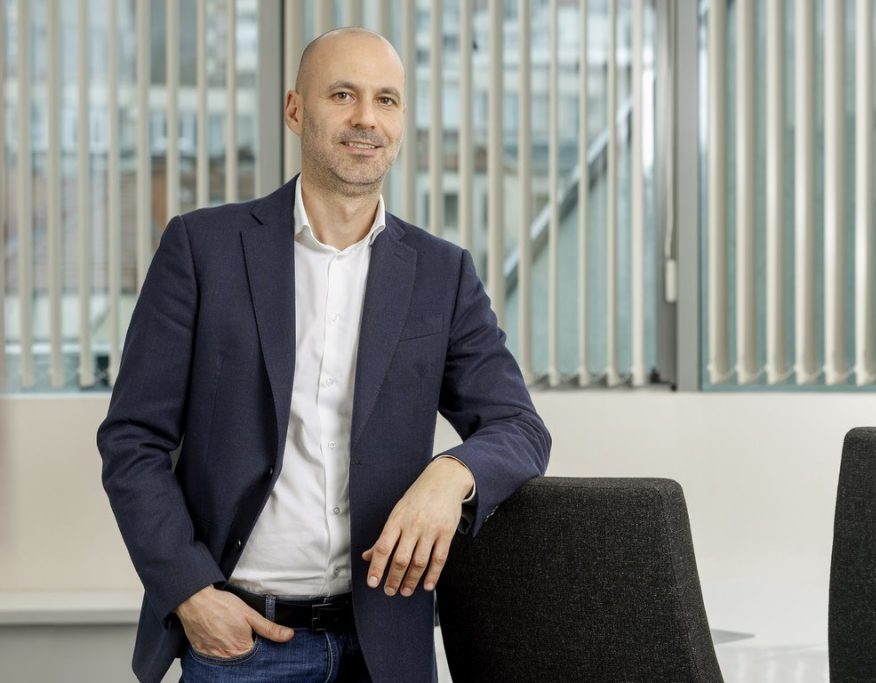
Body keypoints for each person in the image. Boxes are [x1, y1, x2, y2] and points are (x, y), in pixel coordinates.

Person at [97, 27, 550, 683]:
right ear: (294, 109)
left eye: (386, 100)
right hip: (243, 643)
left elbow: (519, 426)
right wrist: (191, 592)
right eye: (343, 94)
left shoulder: (442, 273)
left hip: (385, 647)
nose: (367, 118)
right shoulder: (202, 249)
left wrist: (451, 475)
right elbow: (132, 439)